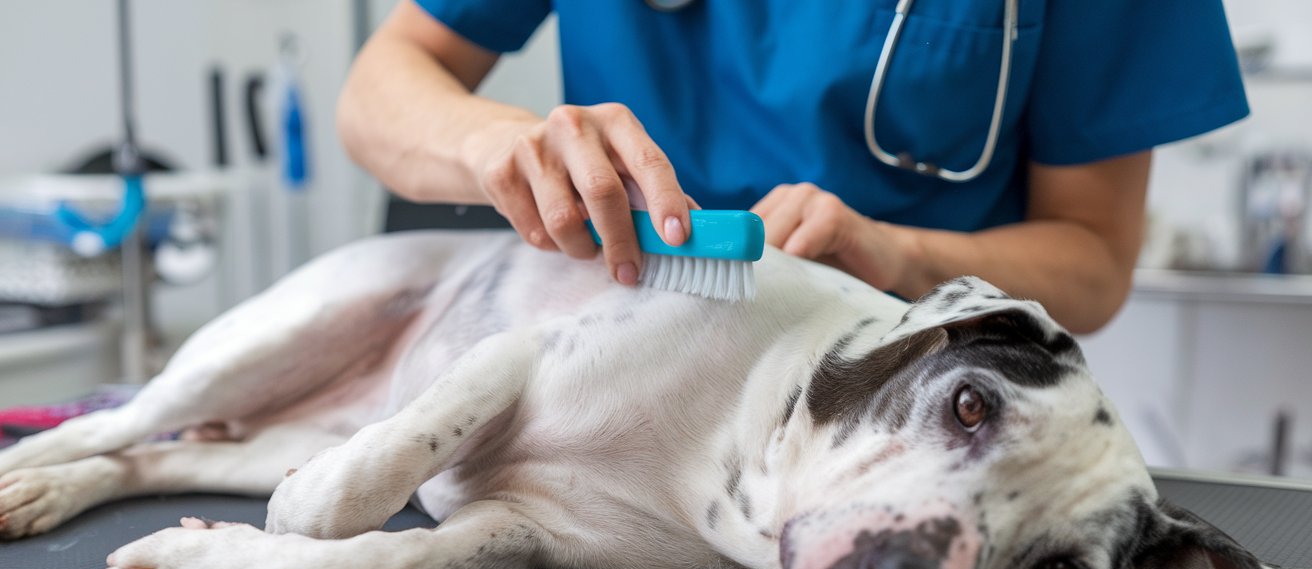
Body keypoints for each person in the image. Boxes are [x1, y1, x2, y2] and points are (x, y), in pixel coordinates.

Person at [337, 1, 1248, 334]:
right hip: (621, 343)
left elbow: (1093, 260)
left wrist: (901, 254)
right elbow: (379, 89)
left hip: (914, 381)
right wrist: (498, 143)